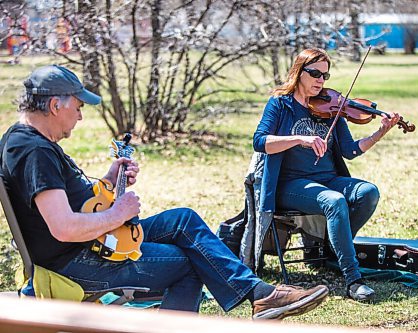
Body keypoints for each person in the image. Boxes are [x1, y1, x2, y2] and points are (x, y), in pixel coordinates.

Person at [0, 65, 329, 320]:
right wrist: (117, 213)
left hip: (92, 245)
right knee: (189, 263)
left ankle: (259, 293)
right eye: (77, 106)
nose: (81, 114)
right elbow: (63, 227)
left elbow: (70, 205)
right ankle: (258, 295)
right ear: (56, 105)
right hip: (78, 262)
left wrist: (110, 178)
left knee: (184, 220)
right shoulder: (33, 151)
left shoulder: (29, 143)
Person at [253, 48, 401, 302]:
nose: (321, 80)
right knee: (333, 201)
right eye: (315, 73)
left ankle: (332, 247)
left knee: (368, 192)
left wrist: (380, 132)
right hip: (290, 185)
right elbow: (259, 141)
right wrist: (299, 138)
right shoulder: (280, 104)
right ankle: (353, 279)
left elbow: (350, 150)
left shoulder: (332, 106)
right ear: (299, 72)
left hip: (328, 179)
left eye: (325, 75)